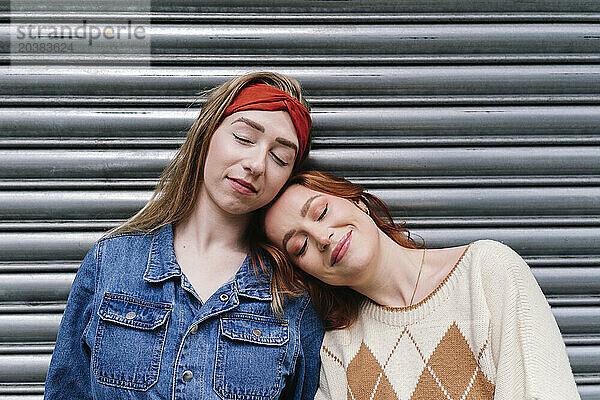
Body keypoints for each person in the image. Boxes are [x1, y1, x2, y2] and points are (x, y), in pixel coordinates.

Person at [44, 72, 325, 400]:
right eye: (245, 138)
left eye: (280, 158)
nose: (256, 164)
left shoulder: (292, 297)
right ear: (208, 133)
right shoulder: (112, 261)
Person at [261, 170, 580, 400]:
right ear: (308, 274)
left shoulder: (486, 273)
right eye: (299, 247)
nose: (322, 237)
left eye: (321, 212)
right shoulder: (337, 352)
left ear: (357, 201)